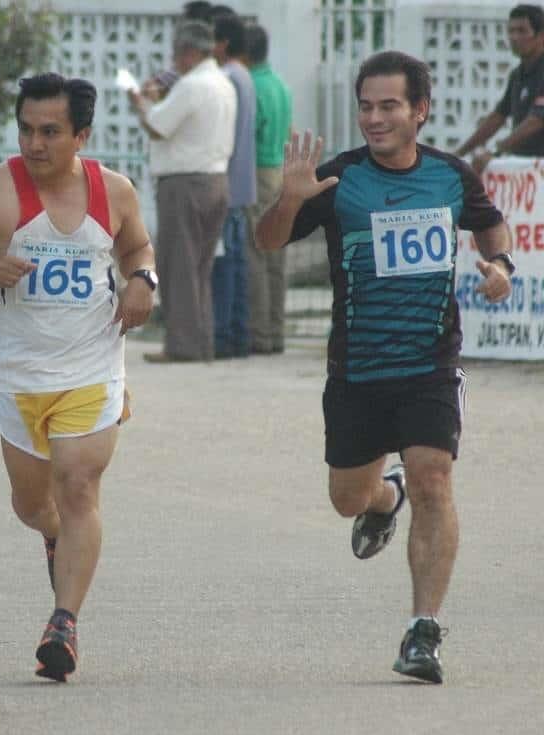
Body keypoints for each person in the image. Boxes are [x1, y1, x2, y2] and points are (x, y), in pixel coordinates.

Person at [256, 51, 513, 684]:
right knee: (347, 499)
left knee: (436, 479)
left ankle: (422, 631)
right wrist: (287, 202)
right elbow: (266, 242)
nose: (374, 118)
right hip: (357, 369)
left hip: (429, 363)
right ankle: (382, 495)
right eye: (366, 106)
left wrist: (499, 268)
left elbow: (491, 226)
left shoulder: (452, 176)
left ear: (419, 110)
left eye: (389, 106)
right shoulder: (338, 178)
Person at [0, 73, 156, 682]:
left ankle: (64, 623)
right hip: (18, 377)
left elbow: (139, 249)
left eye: (50, 132)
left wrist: (144, 281)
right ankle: (53, 536)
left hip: (91, 368)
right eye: (26, 130)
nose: (35, 143)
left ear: (81, 135)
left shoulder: (114, 191)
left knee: (79, 484)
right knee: (34, 505)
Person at [129, 20, 236, 362]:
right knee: (200, 267)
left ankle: (183, 345)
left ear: (188, 52)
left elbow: (159, 127)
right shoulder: (223, 82)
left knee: (178, 266)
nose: (174, 61)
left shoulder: (192, 85)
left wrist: (141, 103)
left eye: (177, 53)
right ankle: (201, 340)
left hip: (184, 183)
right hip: (216, 180)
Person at [243, 24, 292, 355]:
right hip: (280, 171)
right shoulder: (279, 85)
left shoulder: (252, 87)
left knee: (256, 252)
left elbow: (250, 132)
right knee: (276, 257)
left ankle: (259, 334)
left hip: (258, 171)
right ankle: (276, 331)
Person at [211, 12, 257, 359]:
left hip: (224, 183)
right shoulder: (244, 76)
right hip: (241, 184)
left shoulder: (225, 77)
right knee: (237, 263)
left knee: (224, 264)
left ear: (222, 43)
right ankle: (239, 334)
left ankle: (223, 334)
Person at [454, 4, 544, 172]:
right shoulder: (517, 75)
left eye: (522, 31)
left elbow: (537, 120)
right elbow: (498, 117)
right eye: (511, 31)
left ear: (541, 36)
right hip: (525, 170)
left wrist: (496, 150)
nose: (514, 37)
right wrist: (458, 154)